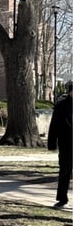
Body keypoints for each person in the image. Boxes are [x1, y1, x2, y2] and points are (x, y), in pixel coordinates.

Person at [48, 80, 72, 208]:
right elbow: (54, 126)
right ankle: (62, 198)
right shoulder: (61, 106)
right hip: (66, 144)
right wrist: (52, 143)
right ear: (70, 92)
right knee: (65, 172)